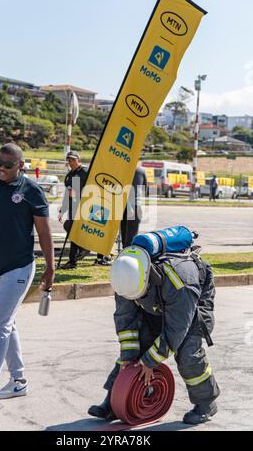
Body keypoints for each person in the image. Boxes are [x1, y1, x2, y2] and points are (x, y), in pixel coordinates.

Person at [88, 243, 220, 425]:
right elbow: (125, 320)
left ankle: (206, 403)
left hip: (190, 305)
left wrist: (150, 361)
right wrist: (128, 358)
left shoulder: (180, 283)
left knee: (187, 351)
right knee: (137, 345)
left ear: (147, 277)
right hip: (156, 300)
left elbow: (176, 330)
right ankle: (113, 401)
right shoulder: (125, 275)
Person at [0, 143, 54, 409]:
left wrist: (50, 269)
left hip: (18, 267)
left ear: (21, 165)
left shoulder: (31, 190)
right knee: (6, 324)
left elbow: (44, 233)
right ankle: (18, 382)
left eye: (8, 165)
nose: (1, 169)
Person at [58, 150, 90, 269]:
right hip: (73, 208)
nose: (70, 162)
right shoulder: (69, 175)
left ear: (78, 160)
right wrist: (62, 210)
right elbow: (68, 195)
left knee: (73, 230)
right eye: (69, 160)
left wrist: (78, 193)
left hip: (84, 207)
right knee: (70, 229)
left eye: (73, 159)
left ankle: (73, 260)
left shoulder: (85, 172)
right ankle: (78, 254)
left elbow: (94, 188)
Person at [120, 166, 147, 248]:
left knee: (124, 231)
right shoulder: (141, 170)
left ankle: (125, 250)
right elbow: (145, 187)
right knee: (132, 233)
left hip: (123, 204)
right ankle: (128, 251)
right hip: (135, 204)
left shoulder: (123, 169)